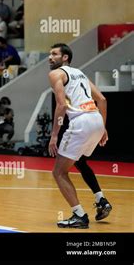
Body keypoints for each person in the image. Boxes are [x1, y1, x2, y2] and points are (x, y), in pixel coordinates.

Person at [48, 43, 111, 228]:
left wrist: (54, 136)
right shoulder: (80, 73)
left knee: (58, 172)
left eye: (54, 54)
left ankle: (79, 215)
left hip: (81, 122)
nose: (50, 58)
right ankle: (100, 199)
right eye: (49, 54)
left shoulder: (55, 74)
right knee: (80, 161)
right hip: (96, 119)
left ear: (65, 57)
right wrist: (103, 127)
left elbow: (61, 106)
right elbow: (102, 99)